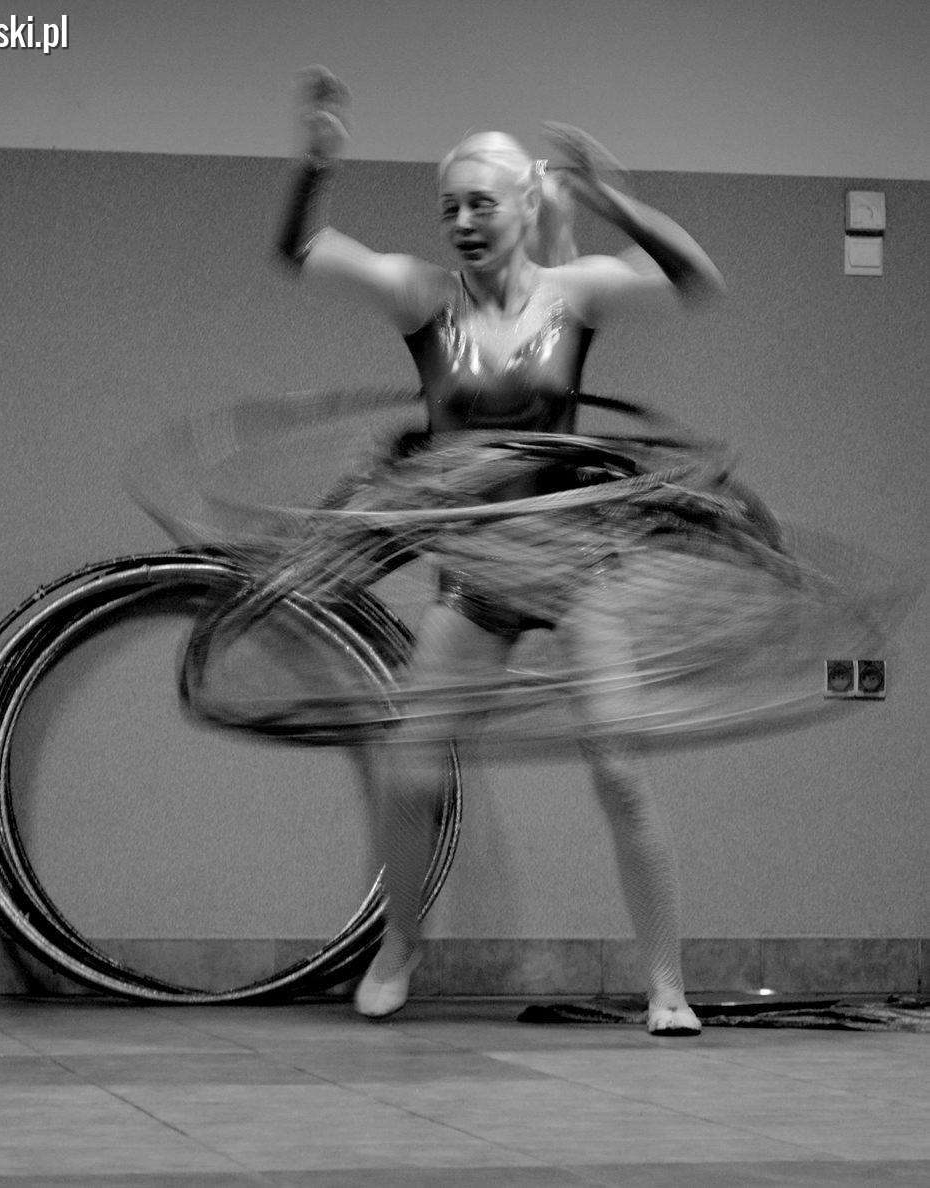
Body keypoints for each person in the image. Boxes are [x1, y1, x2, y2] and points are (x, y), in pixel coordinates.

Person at [274, 66, 726, 1035]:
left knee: (619, 771)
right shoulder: (421, 297)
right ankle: (399, 945)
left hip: (574, 571)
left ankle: (666, 986)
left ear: (524, 206)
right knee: (410, 772)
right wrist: (317, 165)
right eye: (450, 207)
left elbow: (696, 278)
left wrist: (613, 200)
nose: (463, 222)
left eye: (482, 203)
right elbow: (301, 250)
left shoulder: (573, 294)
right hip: (478, 581)